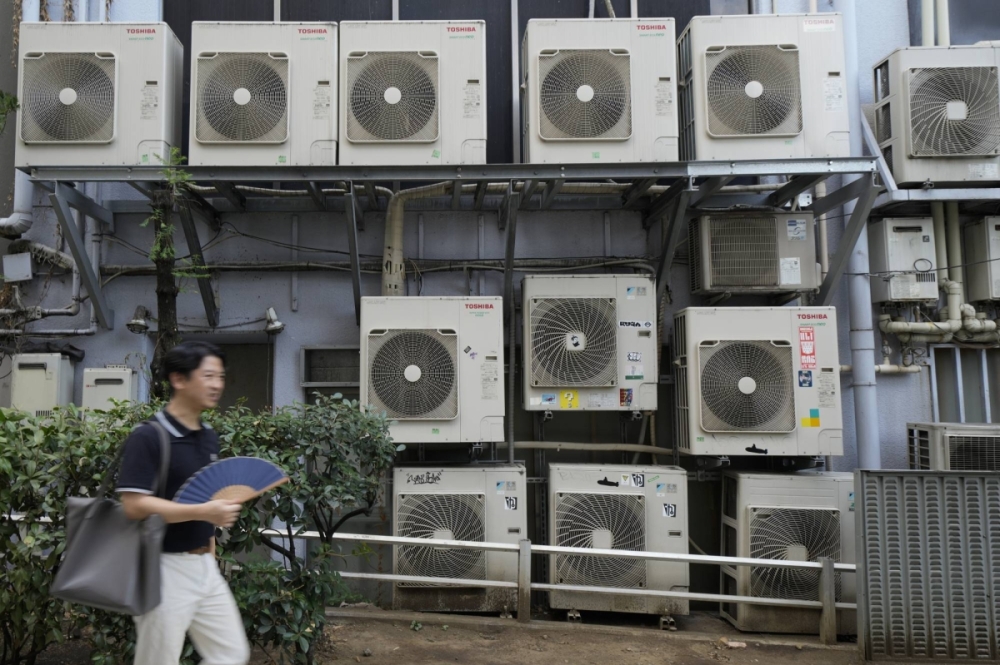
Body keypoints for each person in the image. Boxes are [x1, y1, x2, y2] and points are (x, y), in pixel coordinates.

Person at [117, 341, 250, 665]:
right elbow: (133, 505)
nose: (217, 384)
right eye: (208, 376)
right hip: (162, 567)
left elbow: (204, 496)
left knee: (231, 653)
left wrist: (211, 548)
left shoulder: (208, 436)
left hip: (204, 566)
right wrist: (204, 512)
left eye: (220, 376)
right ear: (179, 379)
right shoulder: (148, 436)